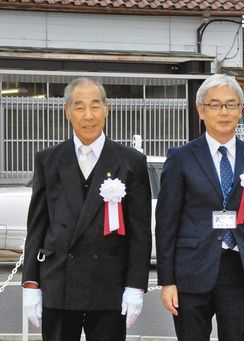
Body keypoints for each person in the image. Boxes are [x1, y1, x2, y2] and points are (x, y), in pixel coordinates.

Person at [22, 77, 152, 341]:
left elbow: (140, 231)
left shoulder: (131, 162)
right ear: (67, 111)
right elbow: (37, 226)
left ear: (107, 108)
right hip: (59, 285)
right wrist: (31, 283)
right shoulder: (48, 160)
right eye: (79, 107)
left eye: (95, 106)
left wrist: (136, 285)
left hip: (108, 286)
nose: (88, 115)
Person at [155, 74, 244, 341]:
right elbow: (166, 222)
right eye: (215, 105)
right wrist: (167, 280)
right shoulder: (181, 158)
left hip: (240, 269)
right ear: (201, 110)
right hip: (191, 270)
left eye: (231, 104)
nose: (224, 112)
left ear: (241, 110)